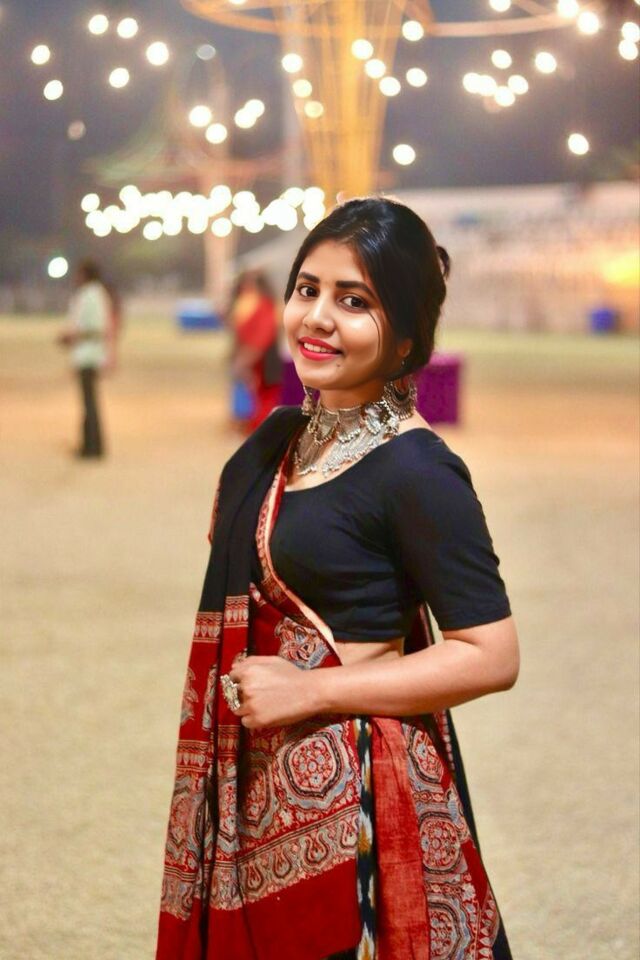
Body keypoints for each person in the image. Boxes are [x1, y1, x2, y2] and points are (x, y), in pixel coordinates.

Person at [155, 197, 520, 960]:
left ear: (408, 336)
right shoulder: (281, 440)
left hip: (359, 811)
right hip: (261, 791)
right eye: (307, 289)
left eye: (354, 301)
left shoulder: (418, 470)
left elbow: (491, 655)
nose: (317, 317)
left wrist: (312, 691)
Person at [56, 259, 109, 458]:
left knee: (89, 404)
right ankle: (90, 445)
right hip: (87, 354)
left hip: (88, 355)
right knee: (88, 403)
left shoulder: (91, 295)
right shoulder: (95, 293)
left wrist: (72, 337)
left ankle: (92, 447)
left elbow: (95, 328)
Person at [227, 270, 282, 431]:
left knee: (263, 393)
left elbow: (264, 334)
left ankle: (259, 424)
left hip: (262, 357)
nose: (247, 285)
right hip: (246, 353)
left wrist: (249, 356)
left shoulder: (264, 304)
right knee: (245, 388)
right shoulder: (243, 303)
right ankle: (243, 420)